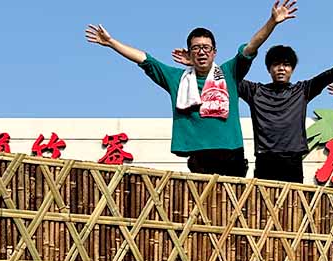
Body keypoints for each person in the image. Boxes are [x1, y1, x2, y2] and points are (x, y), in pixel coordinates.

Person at [85, 1, 297, 176]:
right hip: (199, 157)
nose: (202, 52)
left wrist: (272, 22)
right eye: (196, 48)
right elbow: (145, 60)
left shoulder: (229, 72)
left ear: (214, 52)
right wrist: (112, 43)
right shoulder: (178, 79)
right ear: (189, 53)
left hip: (231, 155)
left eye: (206, 48)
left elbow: (251, 47)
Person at [172, 41, 333, 182]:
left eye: (286, 65)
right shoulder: (255, 91)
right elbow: (226, 78)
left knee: (292, 215)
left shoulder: (302, 90)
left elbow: (329, 74)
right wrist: (198, 64)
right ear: (269, 69)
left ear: (292, 68)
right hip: (265, 161)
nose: (281, 68)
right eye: (276, 65)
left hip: (292, 162)